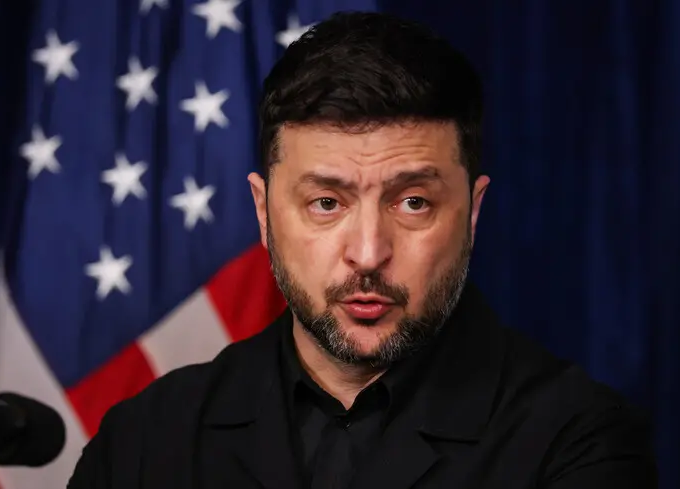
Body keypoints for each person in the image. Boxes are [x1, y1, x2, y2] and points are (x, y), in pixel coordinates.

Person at [67, 11, 657, 489]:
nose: (369, 253)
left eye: (413, 203)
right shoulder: (145, 440)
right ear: (263, 213)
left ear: (473, 213)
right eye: (326, 203)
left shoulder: (577, 441)